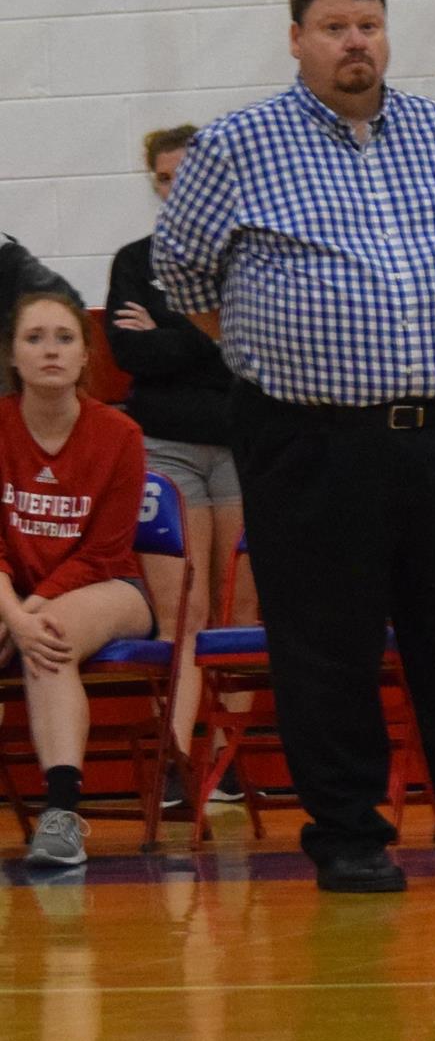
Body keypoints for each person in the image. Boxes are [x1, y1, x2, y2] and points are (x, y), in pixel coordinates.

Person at [152, 0, 435, 894]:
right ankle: (349, 835)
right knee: (326, 644)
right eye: (336, 26)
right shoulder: (237, 145)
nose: (357, 41)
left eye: (370, 23)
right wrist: (277, 348)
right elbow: (183, 276)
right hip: (309, 439)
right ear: (297, 38)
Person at [104, 125, 250, 807]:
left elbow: (251, 350)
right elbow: (132, 358)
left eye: (187, 172)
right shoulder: (135, 260)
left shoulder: (249, 257)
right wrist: (208, 333)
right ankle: (178, 758)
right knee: (182, 609)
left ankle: (231, 760)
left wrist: (170, 334)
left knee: (239, 609)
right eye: (165, 177)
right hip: (165, 446)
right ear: (156, 185)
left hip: (246, 441)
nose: (177, 185)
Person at [1, 292, 155, 866]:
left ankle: (62, 817)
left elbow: (103, 552)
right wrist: (12, 614)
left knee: (50, 636)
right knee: (37, 628)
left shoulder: (120, 435)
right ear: (12, 355)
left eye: (64, 338)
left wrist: (23, 616)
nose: (49, 351)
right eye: (34, 338)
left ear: (86, 356)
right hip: (13, 594)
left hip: (110, 587)